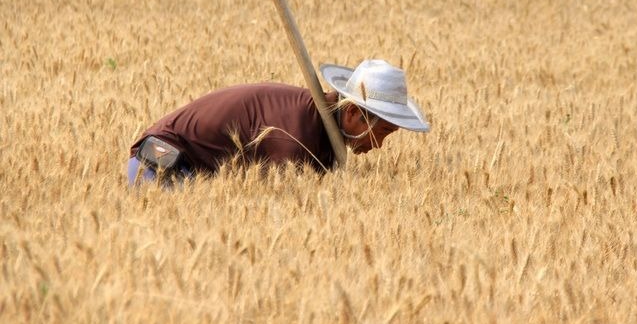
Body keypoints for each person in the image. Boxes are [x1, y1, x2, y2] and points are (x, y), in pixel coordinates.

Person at [127, 59, 430, 185]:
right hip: (161, 163)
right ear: (352, 114)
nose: (379, 145)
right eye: (384, 132)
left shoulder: (321, 127)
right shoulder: (296, 140)